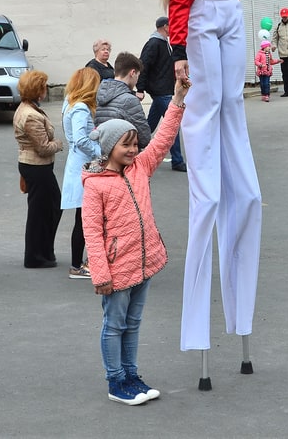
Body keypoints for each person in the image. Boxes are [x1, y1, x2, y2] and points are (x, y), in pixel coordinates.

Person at [158, 0, 288, 358]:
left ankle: (233, 156)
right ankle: (203, 159)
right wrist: (178, 53)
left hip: (231, 5)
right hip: (202, 11)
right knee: (207, 99)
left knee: (231, 98)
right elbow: (179, 1)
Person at [82, 74, 189, 405]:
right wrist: (100, 273)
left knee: (134, 323)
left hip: (143, 263)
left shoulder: (140, 168)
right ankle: (116, 382)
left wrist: (178, 100)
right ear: (109, 148)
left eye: (134, 144)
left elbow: (161, 139)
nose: (133, 149)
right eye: (125, 144)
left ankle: (131, 374)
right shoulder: (95, 184)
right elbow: (92, 233)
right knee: (114, 325)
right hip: (115, 270)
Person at [14, 70, 64, 268]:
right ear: (38, 90)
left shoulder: (27, 108)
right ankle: (36, 256)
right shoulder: (30, 115)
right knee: (40, 212)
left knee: (47, 209)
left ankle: (43, 251)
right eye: (43, 87)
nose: (46, 90)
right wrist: (58, 144)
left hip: (36, 166)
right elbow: (43, 147)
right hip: (36, 166)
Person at [60, 68, 101, 280]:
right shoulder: (81, 108)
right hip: (83, 165)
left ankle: (80, 263)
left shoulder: (70, 103)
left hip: (77, 163)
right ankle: (77, 265)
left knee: (83, 217)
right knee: (84, 218)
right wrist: (101, 152)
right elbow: (81, 140)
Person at [137, 16, 185, 171]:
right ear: (165, 27)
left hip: (162, 90)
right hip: (160, 91)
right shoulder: (154, 44)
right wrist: (140, 89)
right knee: (172, 123)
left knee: (148, 125)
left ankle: (135, 149)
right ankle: (177, 160)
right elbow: (142, 65)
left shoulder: (165, 43)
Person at [94, 52, 151, 149]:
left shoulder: (100, 93)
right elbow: (144, 137)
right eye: (137, 76)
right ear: (132, 73)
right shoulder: (129, 100)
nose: (137, 81)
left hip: (104, 155)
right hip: (124, 156)